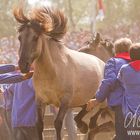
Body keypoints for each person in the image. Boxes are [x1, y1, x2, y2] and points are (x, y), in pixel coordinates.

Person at [86, 38, 132, 140]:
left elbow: (109, 81)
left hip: (121, 107)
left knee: (122, 136)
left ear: (116, 50)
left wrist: (97, 99)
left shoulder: (113, 62)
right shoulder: (135, 63)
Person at [117, 43, 140, 140]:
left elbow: (120, 81)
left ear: (130, 56)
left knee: (134, 136)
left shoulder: (124, 69)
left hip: (131, 114)